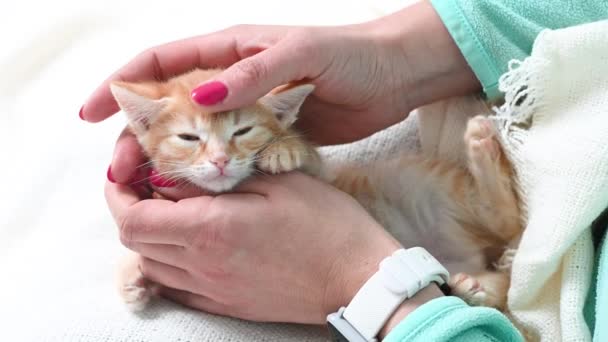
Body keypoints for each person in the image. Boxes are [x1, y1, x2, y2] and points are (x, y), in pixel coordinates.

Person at [81, 1, 608, 341]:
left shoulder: (275, 140)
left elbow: (312, 172)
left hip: (426, 265)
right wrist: (401, 53)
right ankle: (487, 270)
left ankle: (488, 257)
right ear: (148, 127)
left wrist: (366, 283)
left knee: (414, 186)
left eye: (241, 134)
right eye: (190, 139)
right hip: (448, 245)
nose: (217, 158)